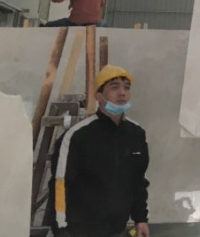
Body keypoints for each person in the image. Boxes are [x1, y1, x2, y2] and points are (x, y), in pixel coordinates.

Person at [46, 64, 150, 237]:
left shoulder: (136, 133)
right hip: (79, 230)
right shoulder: (78, 135)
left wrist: (140, 219)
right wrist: (61, 229)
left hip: (117, 228)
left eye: (126, 87)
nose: (122, 93)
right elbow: (60, 184)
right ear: (99, 95)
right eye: (114, 87)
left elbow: (138, 182)